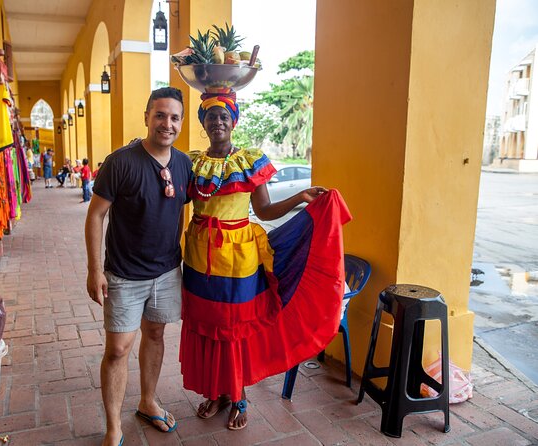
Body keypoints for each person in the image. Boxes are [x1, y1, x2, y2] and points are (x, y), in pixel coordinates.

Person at [180, 91, 351, 430]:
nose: (217, 122)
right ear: (203, 123)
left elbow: (264, 211)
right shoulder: (191, 163)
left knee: (233, 328)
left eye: (223, 117)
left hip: (239, 258)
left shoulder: (249, 161)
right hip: (200, 256)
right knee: (207, 324)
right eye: (211, 117)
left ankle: (238, 396)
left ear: (233, 122)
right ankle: (216, 392)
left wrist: (301, 197)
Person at [85, 87, 192, 446]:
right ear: (147, 117)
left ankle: (148, 401)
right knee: (117, 349)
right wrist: (94, 269)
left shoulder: (183, 164)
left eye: (174, 117)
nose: (167, 123)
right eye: (160, 115)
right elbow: (96, 214)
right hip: (124, 274)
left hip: (165, 271)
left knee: (156, 335)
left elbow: (180, 210)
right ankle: (113, 426)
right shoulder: (121, 162)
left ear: (181, 122)